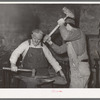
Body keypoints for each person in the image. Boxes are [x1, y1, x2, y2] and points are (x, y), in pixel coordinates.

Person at [44, 10, 90, 88]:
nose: (64, 29)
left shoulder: (78, 32)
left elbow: (65, 36)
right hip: (77, 68)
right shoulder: (71, 40)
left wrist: (61, 24)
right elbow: (60, 50)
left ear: (69, 26)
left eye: (66, 27)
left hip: (80, 68)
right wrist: (50, 42)